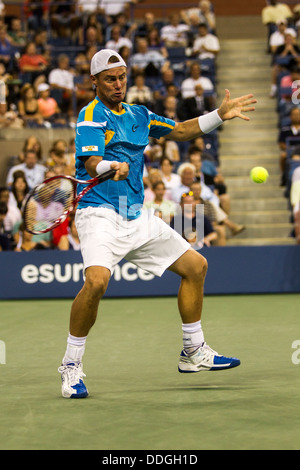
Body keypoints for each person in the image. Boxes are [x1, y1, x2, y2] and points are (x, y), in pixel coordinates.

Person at [57, 48, 256, 398]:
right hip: (99, 212)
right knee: (98, 281)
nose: (118, 84)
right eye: (109, 79)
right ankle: (71, 366)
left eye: (121, 77)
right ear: (95, 82)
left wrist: (219, 116)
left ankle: (193, 351)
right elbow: (90, 163)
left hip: (136, 215)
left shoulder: (139, 114)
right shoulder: (91, 116)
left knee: (196, 265)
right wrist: (108, 167)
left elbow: (179, 130)